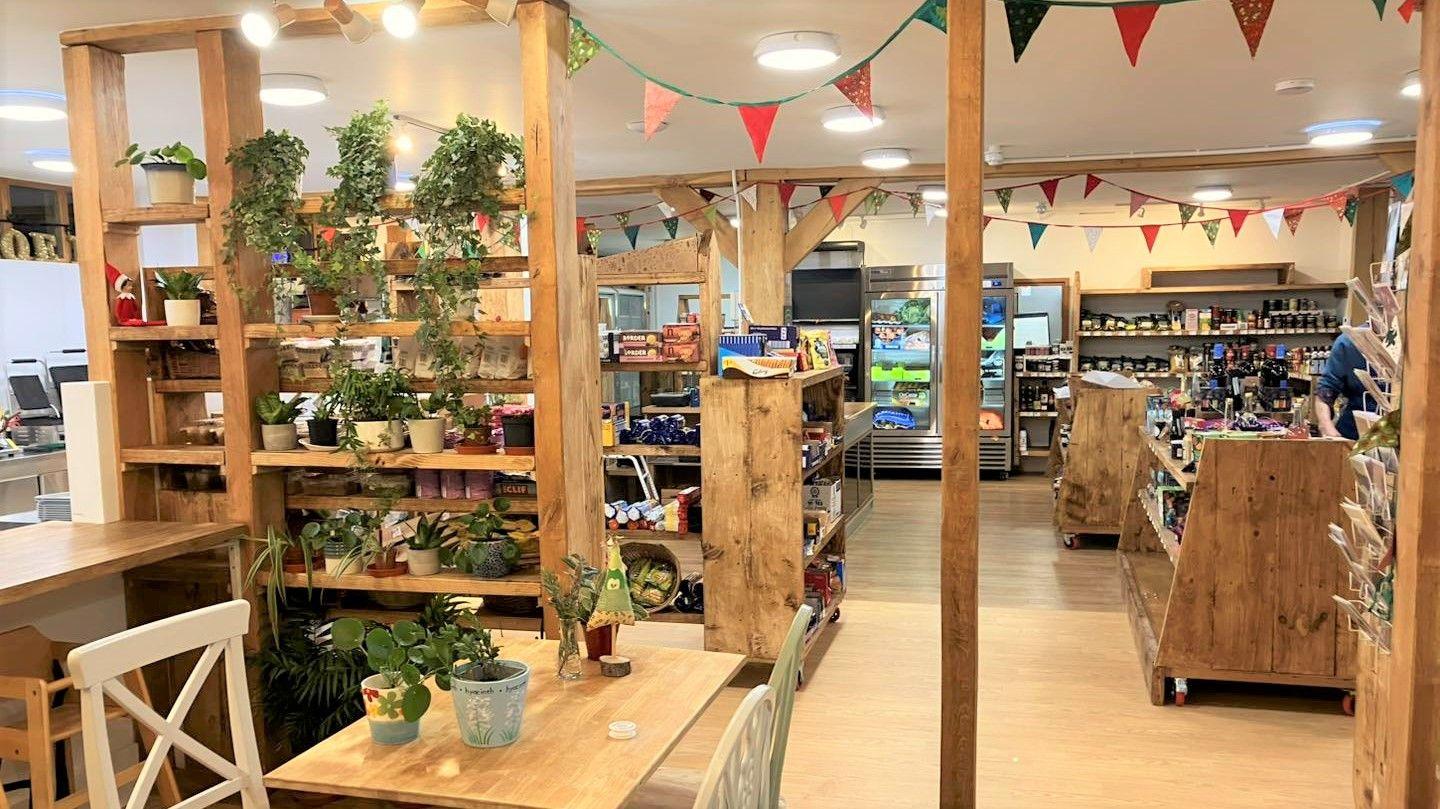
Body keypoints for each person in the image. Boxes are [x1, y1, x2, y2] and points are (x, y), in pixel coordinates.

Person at [1314, 328, 1372, 440]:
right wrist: (1327, 427)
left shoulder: (1413, 340)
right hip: (1355, 433)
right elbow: (1325, 390)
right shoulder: (1349, 342)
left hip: (1407, 435)